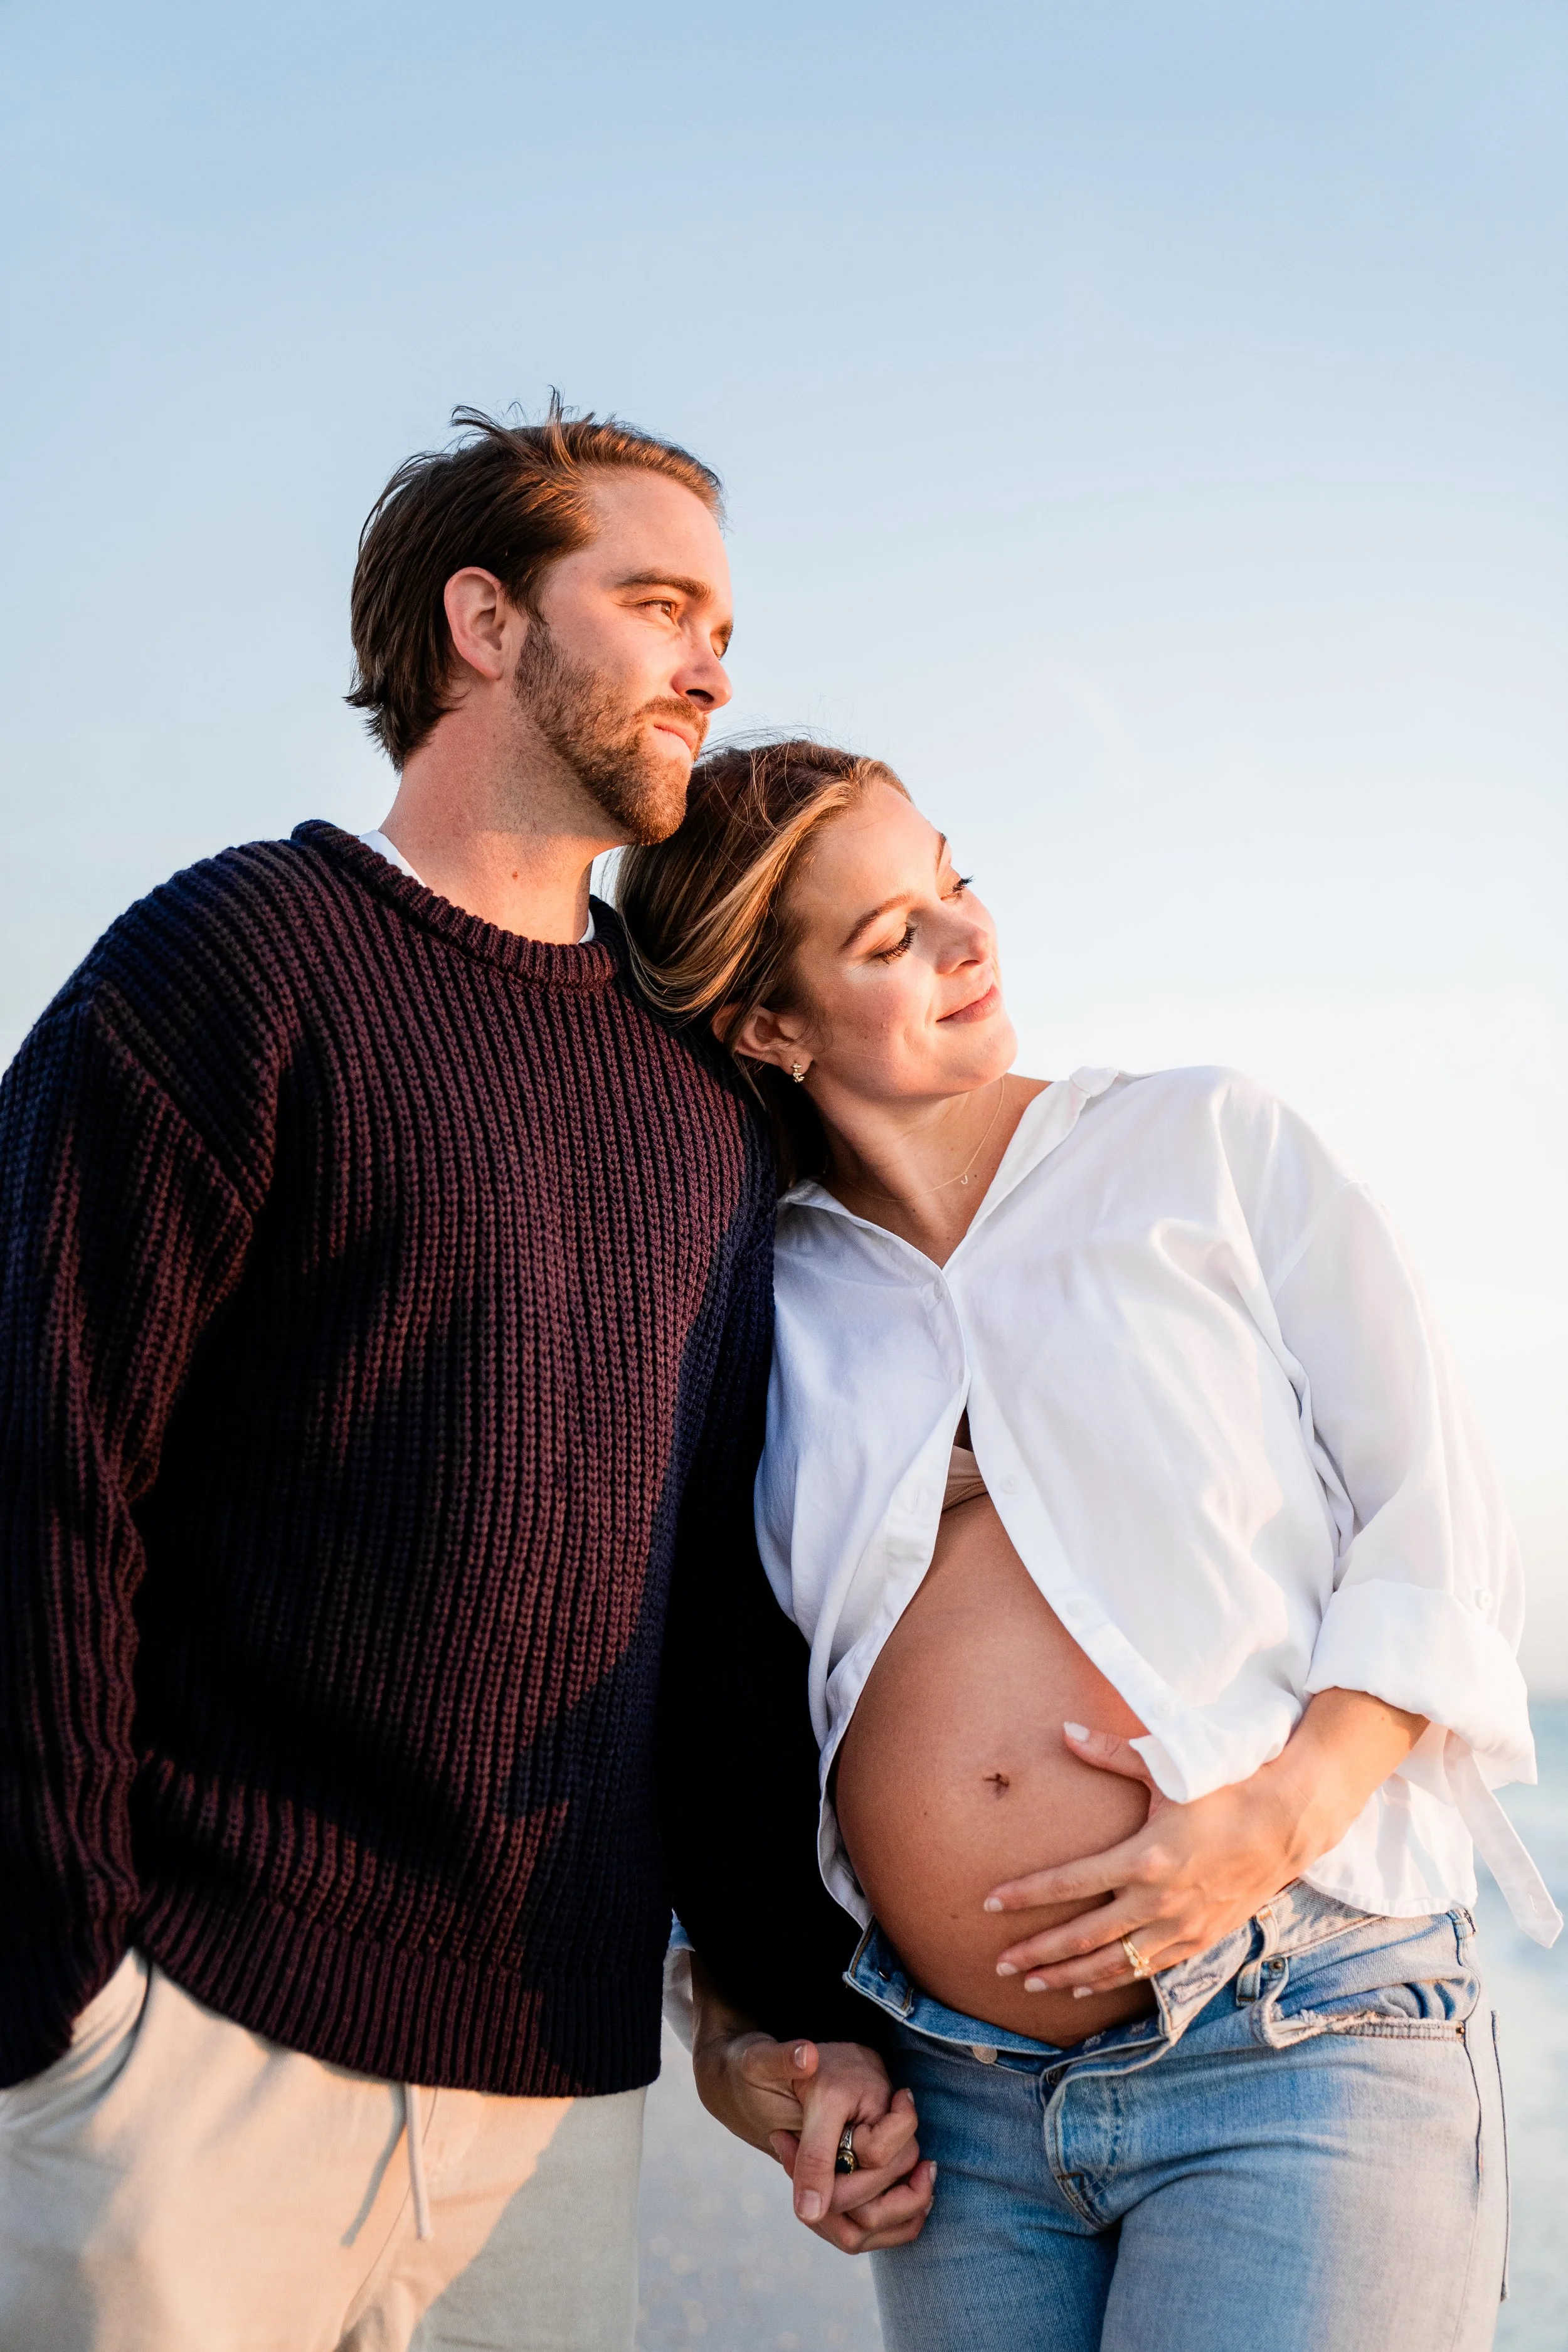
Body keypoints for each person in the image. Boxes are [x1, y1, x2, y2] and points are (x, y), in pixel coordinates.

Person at [0, 411, 923, 2352]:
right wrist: (59, 1996)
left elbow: (716, 1601)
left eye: (723, 621)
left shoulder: (699, 1103)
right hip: (189, 2056)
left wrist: (778, 1998)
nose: (712, 665)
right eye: (658, 603)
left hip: (548, 2098)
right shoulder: (234, 967)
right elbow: (37, 1473)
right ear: (484, 621)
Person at [617, 736, 1560, 2352]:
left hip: (1301, 2033)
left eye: (954, 883)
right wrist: (748, 2031)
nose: (968, 938)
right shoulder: (757, 1293)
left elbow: (1436, 1515)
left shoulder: (1204, 1147)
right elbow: (722, 1698)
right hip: (958, 2116)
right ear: (769, 1025)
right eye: (888, 937)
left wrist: (1278, 1815)